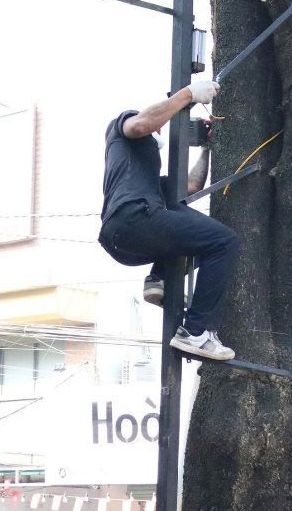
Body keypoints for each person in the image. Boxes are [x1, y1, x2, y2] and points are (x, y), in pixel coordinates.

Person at [98, 80, 240, 362]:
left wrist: (206, 149)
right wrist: (187, 95)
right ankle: (197, 332)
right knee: (224, 241)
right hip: (133, 218)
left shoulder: (144, 179)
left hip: (123, 236)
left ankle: (159, 279)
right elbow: (141, 125)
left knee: (187, 222)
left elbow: (191, 186)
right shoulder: (121, 128)